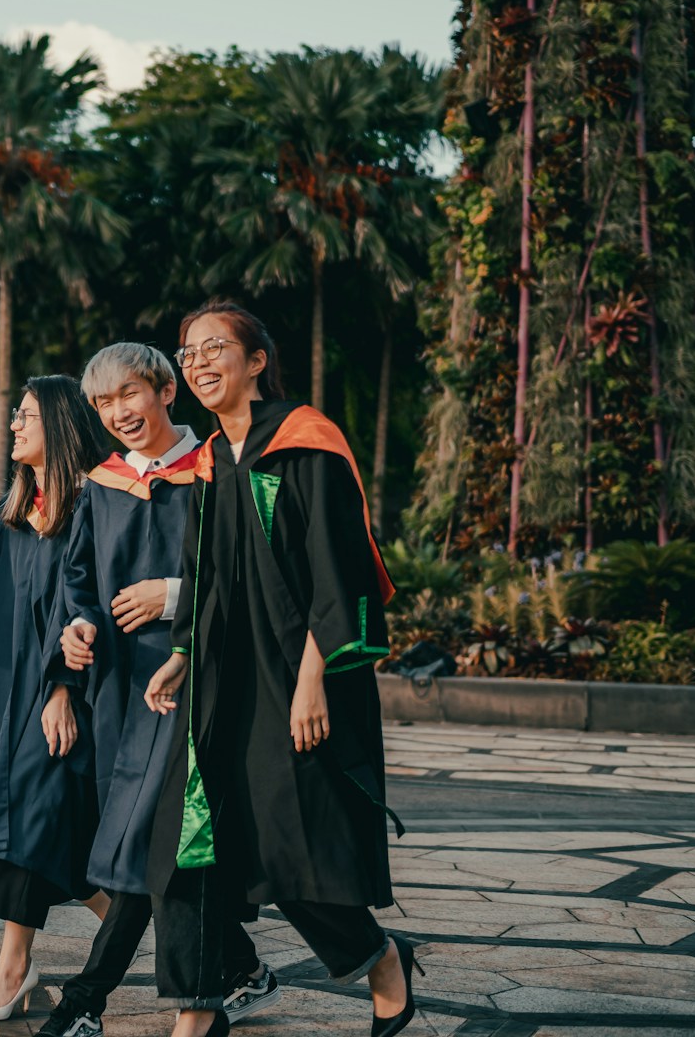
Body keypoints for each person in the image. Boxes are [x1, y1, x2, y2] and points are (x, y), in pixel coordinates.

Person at [144, 303, 420, 1037]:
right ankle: (196, 1015)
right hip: (219, 681)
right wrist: (181, 654)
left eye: (215, 349)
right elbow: (199, 572)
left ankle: (380, 958)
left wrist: (311, 683)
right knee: (183, 843)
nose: (197, 363)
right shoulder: (208, 462)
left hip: (296, 678)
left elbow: (339, 575)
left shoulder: (306, 443)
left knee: (294, 845)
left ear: (256, 360)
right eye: (187, 352)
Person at [38, 344, 275, 1037]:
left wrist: (175, 595)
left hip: (193, 681)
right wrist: (77, 627)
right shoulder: (104, 484)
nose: (119, 414)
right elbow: (76, 578)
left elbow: (249, 572)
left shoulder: (214, 470)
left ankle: (87, 999)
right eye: (105, 405)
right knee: (160, 844)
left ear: (166, 389)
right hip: (119, 686)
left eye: (129, 396)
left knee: (153, 838)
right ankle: (243, 968)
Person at [0, 377, 113, 1022]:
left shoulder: (94, 505)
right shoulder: (14, 511)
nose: (15, 426)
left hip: (55, 693)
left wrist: (62, 690)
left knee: (24, 823)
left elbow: (88, 610)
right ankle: (231, 957)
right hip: (1, 693)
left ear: (60, 422)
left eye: (25, 416)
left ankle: (13, 970)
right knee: (71, 858)